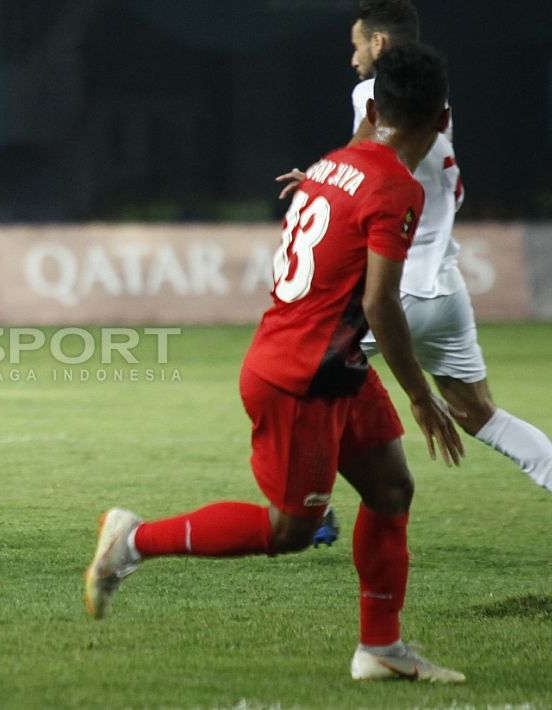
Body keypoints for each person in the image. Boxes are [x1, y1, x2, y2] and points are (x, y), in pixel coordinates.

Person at [86, 44, 468, 683]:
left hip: (329, 363)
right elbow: (380, 302)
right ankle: (131, 541)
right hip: (303, 378)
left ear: (373, 108)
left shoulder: (333, 164)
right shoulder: (396, 187)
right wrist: (421, 394)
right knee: (293, 528)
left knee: (391, 489)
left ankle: (380, 648)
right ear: (441, 121)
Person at [280, 0, 552, 516]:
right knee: (481, 413)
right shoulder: (435, 96)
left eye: (357, 45)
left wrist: (320, 179)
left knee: (291, 376)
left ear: (379, 44)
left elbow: (367, 152)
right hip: (445, 288)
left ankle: (305, 507)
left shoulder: (373, 95)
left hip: (395, 287)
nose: (353, 57)